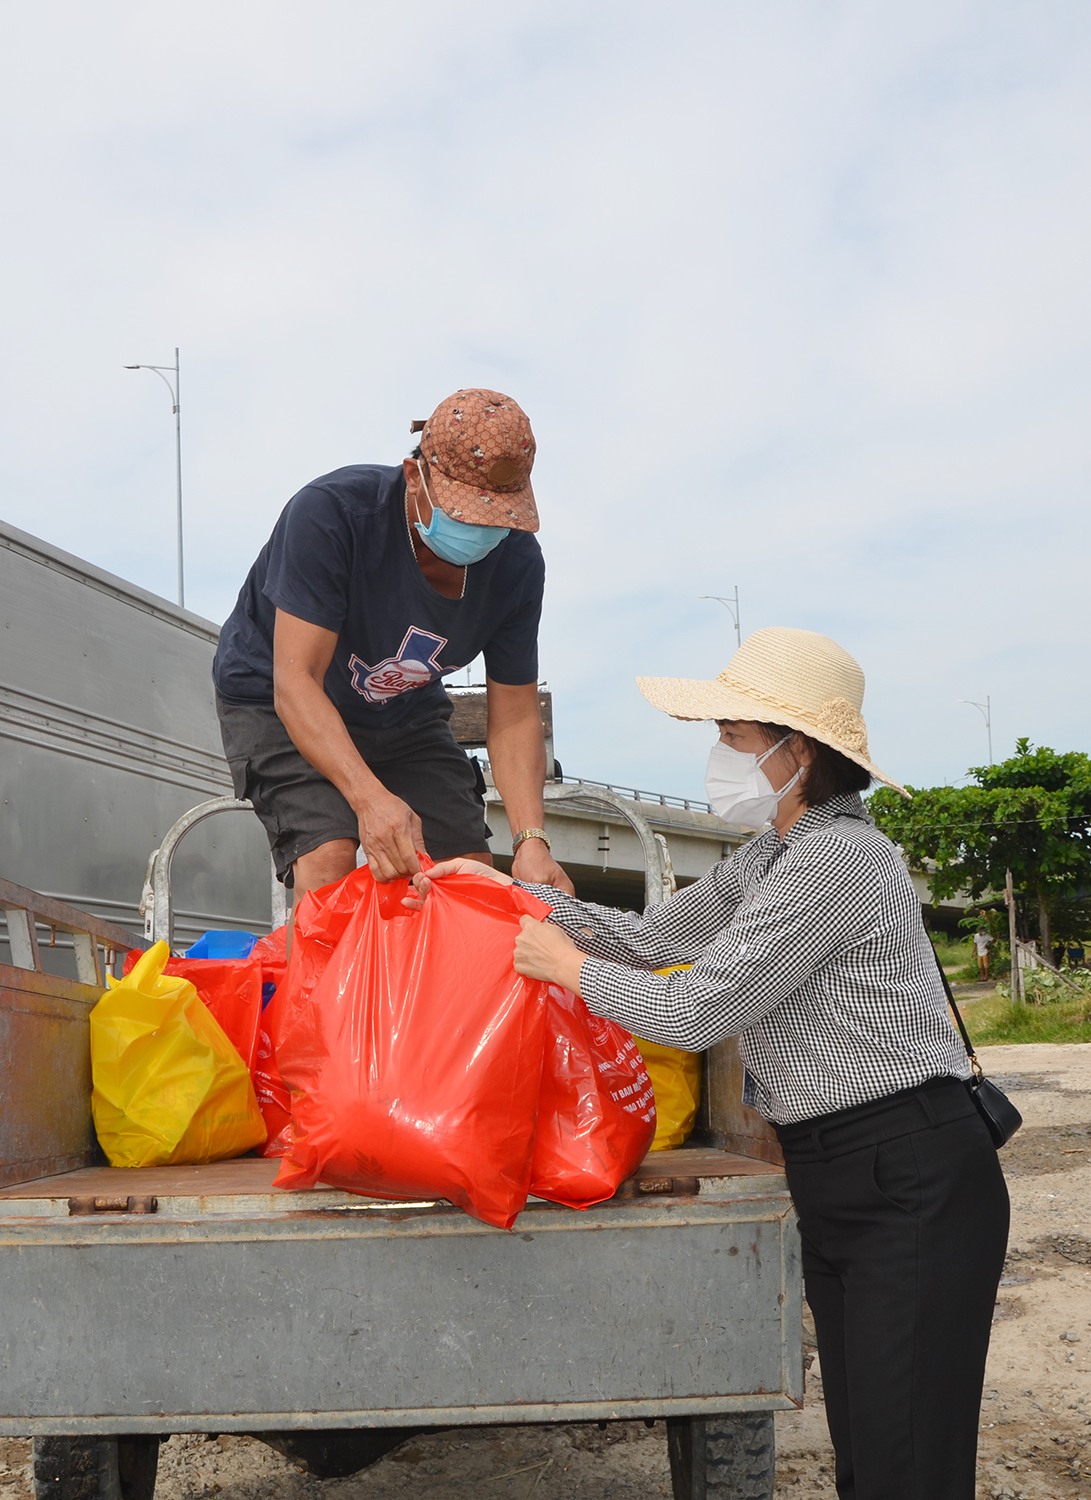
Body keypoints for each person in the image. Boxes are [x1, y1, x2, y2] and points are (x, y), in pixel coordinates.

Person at [413, 627, 1010, 1500]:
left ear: (792, 749)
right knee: (871, 1452)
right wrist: (503, 891)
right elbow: (652, 940)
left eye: (730, 737)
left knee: (905, 1464)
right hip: (838, 1169)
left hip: (908, 1167)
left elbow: (696, 1011)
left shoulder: (840, 859)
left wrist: (564, 967)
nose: (716, 756)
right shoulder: (770, 856)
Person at [211, 389, 572, 896]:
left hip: (401, 709)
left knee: (464, 873)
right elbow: (296, 682)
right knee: (330, 858)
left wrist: (532, 841)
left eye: (498, 518)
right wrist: (367, 798)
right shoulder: (331, 515)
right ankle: (321, 978)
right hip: (280, 696)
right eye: (465, 512)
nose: (482, 530)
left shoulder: (517, 564)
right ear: (413, 477)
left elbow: (513, 714)